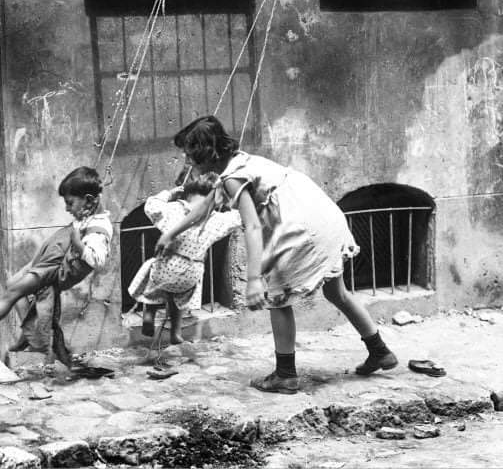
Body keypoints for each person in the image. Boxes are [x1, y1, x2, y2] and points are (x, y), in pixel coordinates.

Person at [155, 115, 398, 394]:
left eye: (189, 156)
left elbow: (253, 226)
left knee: (277, 297)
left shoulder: (233, 179)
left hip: (301, 225)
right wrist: (171, 233)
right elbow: (206, 206)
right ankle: (380, 351)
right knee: (336, 292)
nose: (187, 163)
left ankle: (285, 375)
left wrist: (254, 278)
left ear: (204, 155)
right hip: (323, 215)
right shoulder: (240, 162)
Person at [0, 167, 112, 366]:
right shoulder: (89, 210)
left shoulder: (100, 229)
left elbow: (97, 260)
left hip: (59, 270)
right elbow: (92, 200)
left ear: (87, 199)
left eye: (70, 203)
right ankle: (32, 332)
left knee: (15, 291)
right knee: (11, 282)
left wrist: (78, 243)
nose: (67, 209)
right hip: (52, 259)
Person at [129, 175, 242, 344]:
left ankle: (149, 313)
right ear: (214, 199)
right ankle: (176, 333)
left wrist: (168, 193)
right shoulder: (217, 220)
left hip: (165, 270)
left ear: (186, 195)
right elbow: (239, 217)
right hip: (190, 275)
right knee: (178, 300)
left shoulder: (172, 209)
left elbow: (151, 205)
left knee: (152, 270)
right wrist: (227, 202)